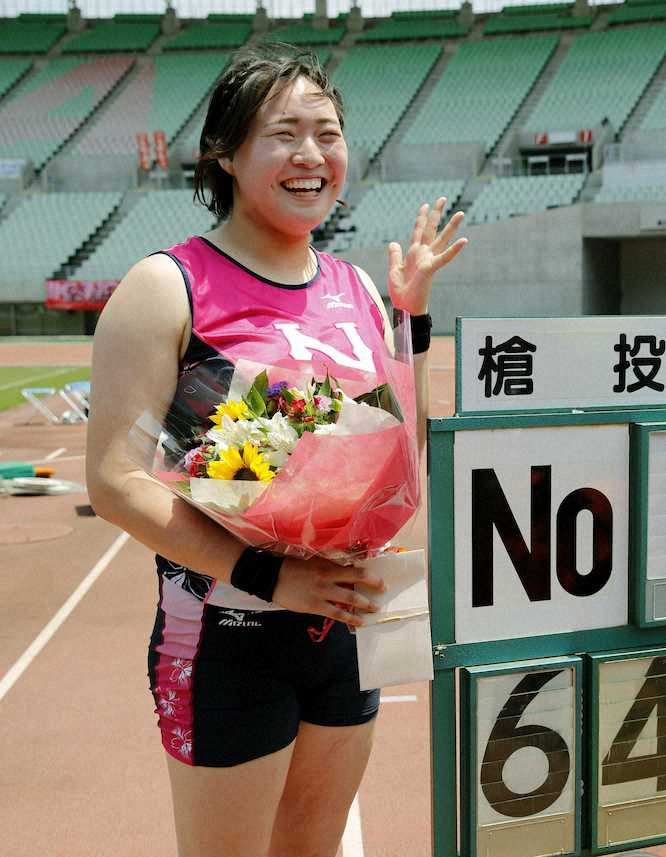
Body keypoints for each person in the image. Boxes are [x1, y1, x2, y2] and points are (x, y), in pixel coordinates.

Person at [85, 45, 466, 857]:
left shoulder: (358, 289)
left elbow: (404, 455)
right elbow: (116, 482)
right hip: (227, 635)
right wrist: (273, 575)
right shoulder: (167, 288)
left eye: (327, 133)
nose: (311, 155)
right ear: (224, 152)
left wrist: (412, 320)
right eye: (282, 133)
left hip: (344, 628)